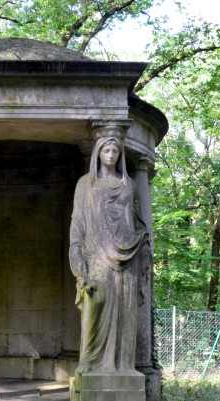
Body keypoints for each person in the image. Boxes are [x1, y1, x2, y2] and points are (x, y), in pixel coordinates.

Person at [69, 136, 147, 372]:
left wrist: (141, 246)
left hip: (126, 255)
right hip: (96, 256)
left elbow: (136, 221)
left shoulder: (129, 185)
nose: (111, 155)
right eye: (106, 150)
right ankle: (91, 363)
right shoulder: (85, 184)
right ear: (98, 154)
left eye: (115, 151)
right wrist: (78, 259)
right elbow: (78, 222)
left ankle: (123, 367)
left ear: (120, 155)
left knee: (126, 313)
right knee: (95, 311)